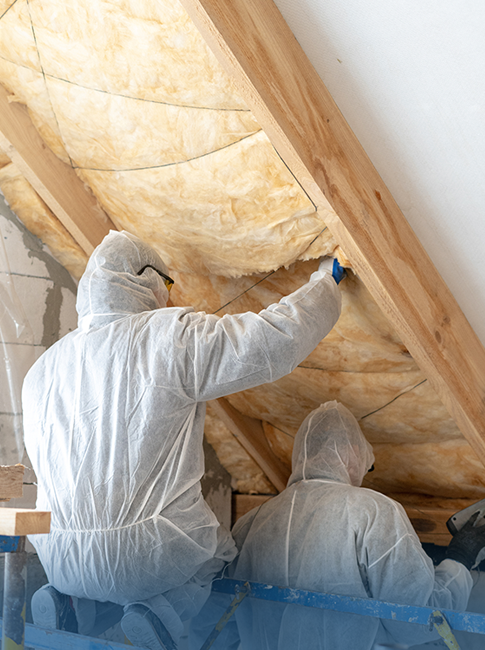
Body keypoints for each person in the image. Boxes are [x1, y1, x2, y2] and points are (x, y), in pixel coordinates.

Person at [22, 230, 344, 650]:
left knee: (102, 575)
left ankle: (68, 606)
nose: (169, 297)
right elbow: (269, 342)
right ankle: (158, 616)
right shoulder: (167, 337)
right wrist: (325, 285)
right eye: (167, 285)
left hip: (60, 557)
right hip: (149, 557)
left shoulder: (41, 370)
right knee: (214, 556)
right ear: (144, 279)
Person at [214, 401, 483, 650]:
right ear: (352, 453)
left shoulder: (249, 524)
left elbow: (216, 624)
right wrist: (460, 558)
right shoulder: (373, 511)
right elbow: (417, 620)